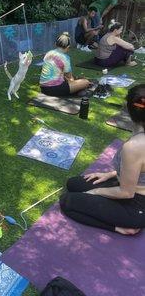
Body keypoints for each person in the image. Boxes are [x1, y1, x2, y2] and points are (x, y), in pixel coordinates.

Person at [60, 84, 145, 235]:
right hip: (130, 188)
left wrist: (96, 192)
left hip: (135, 205)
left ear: (129, 109)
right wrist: (111, 174)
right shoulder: (139, 135)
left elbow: (127, 193)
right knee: (73, 183)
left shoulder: (135, 146)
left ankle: (124, 228)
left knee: (67, 201)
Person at [39, 32, 90, 97]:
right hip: (55, 88)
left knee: (72, 79)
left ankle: (77, 89)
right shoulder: (65, 58)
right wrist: (75, 83)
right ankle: (78, 90)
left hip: (43, 88)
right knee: (85, 82)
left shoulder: (48, 53)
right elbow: (69, 77)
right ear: (68, 47)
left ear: (55, 44)